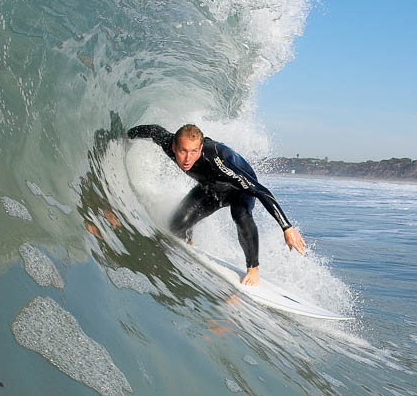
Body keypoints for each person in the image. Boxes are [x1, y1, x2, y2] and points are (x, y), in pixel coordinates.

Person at [121, 117, 306, 286]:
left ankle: (253, 268)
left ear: (200, 148)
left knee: (240, 215)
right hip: (210, 189)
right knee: (176, 226)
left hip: (239, 190)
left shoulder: (219, 161)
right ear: (174, 147)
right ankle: (189, 244)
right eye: (183, 151)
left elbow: (259, 190)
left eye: (194, 151)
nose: (187, 158)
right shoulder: (168, 142)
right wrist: (125, 136)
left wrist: (286, 227)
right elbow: (154, 130)